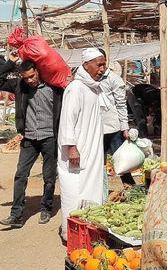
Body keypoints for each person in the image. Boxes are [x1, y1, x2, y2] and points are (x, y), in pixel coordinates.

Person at [0, 58, 63, 228]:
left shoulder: (54, 88)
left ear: (38, 71)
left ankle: (46, 207)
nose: (30, 81)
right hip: (30, 138)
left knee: (48, 176)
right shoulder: (20, 86)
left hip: (49, 138)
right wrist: (10, 62)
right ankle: (16, 214)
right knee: (20, 174)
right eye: (26, 78)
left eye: (32, 76)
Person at [57, 48, 107, 241]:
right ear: (86, 65)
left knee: (90, 190)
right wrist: (71, 148)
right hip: (78, 151)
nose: (102, 69)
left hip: (91, 150)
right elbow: (68, 120)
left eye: (104, 64)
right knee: (74, 192)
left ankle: (89, 231)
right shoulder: (76, 88)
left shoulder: (93, 87)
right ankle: (70, 234)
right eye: (99, 64)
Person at [100, 54, 133, 186]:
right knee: (98, 163)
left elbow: (121, 104)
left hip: (113, 127)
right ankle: (101, 191)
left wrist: (125, 127)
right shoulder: (89, 79)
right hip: (96, 127)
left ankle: (130, 188)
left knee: (121, 161)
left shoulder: (114, 79)